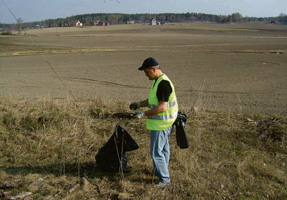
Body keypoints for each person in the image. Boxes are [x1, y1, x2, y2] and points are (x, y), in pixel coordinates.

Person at [130, 57, 178, 187]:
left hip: (161, 125)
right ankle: (163, 170)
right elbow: (153, 100)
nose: (145, 75)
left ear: (154, 69)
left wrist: (143, 114)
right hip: (166, 123)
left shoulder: (163, 84)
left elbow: (162, 107)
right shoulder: (158, 81)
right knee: (163, 150)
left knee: (156, 152)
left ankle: (164, 179)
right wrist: (140, 104)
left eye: (146, 72)